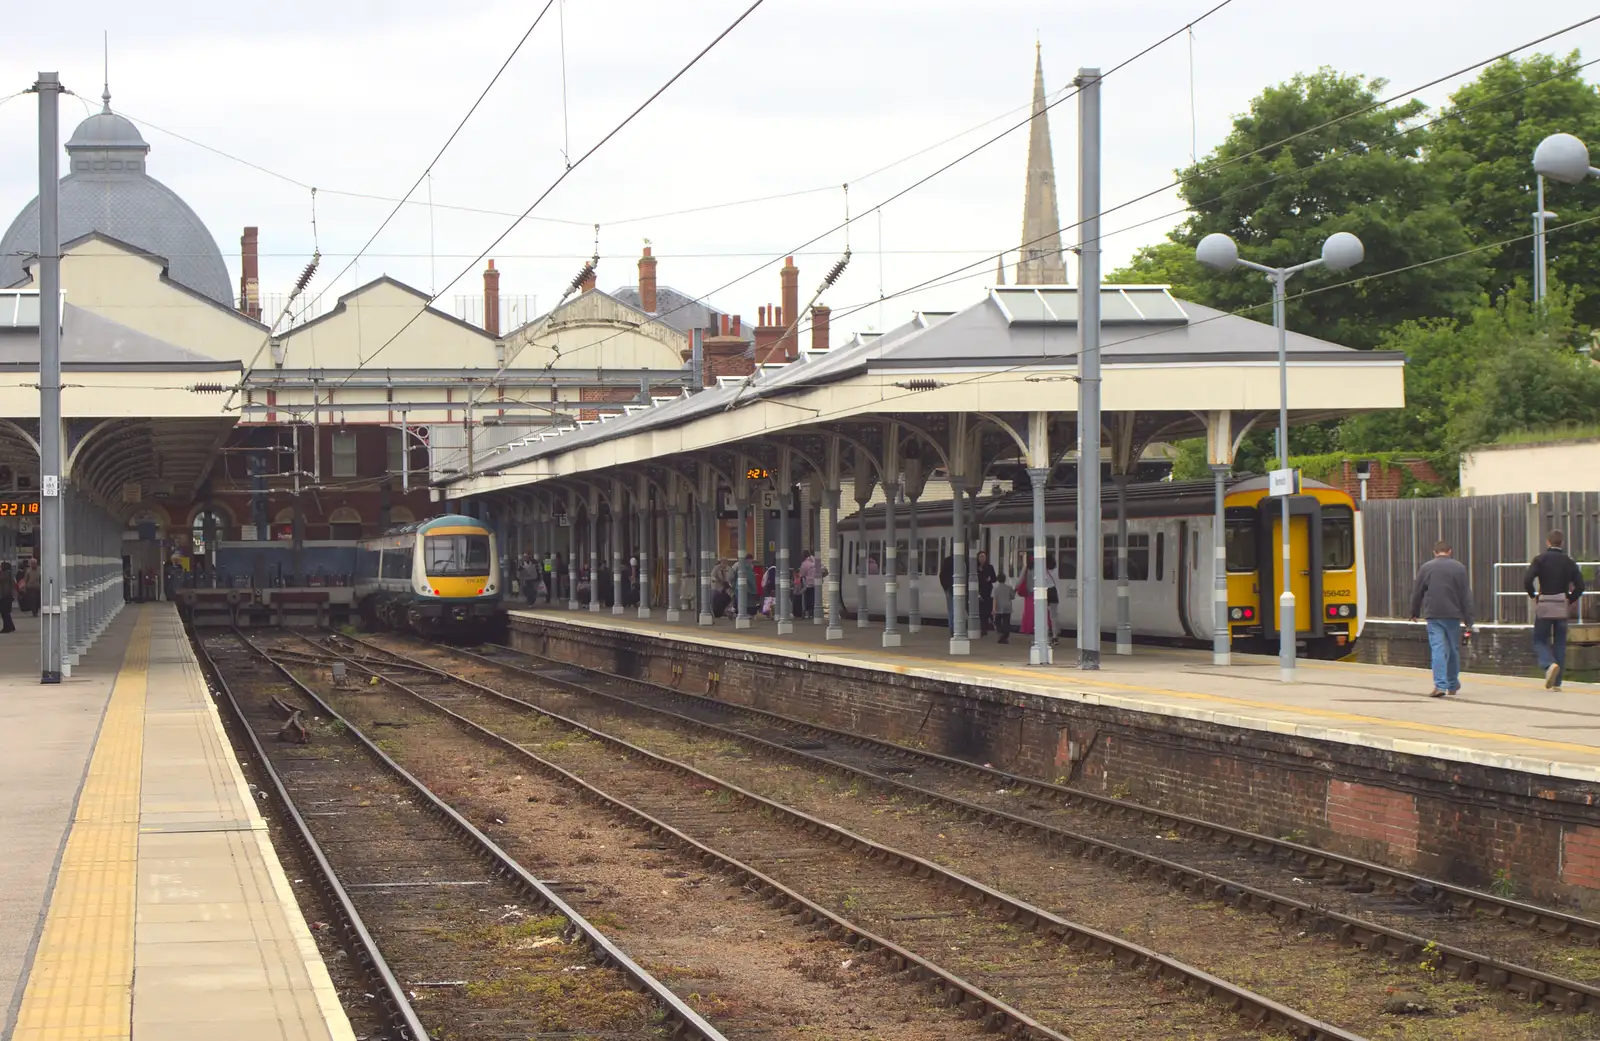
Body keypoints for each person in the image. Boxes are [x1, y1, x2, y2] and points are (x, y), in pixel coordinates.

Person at [1408, 540, 1474, 698]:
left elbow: (1418, 592)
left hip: (1433, 613)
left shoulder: (1427, 567)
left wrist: (1414, 612)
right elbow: (1465, 595)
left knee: (1438, 648)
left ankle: (1440, 685)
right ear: (1450, 551)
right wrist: (1469, 619)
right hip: (1453, 614)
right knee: (1452, 649)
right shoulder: (1459, 568)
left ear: (1434, 552)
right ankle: (1452, 684)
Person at [1525, 529, 1586, 690]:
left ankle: (1548, 664)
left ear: (1548, 542)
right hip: (1561, 605)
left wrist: (1534, 595)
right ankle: (1557, 682)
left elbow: (1527, 579)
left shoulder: (1540, 559)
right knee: (1560, 642)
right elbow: (1581, 586)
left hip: (1545, 603)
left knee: (1539, 639)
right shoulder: (1569, 561)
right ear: (1562, 543)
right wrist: (1570, 599)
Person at [975, 551, 997, 637]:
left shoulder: (990, 567)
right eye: (980, 556)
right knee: (981, 612)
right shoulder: (975, 568)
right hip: (979, 591)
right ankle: (983, 629)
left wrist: (989, 580)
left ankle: (990, 626)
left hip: (988, 591)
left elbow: (994, 578)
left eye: (983, 556)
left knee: (988, 610)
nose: (982, 558)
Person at [992, 569, 1013, 645]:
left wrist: (993, 609)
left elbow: (994, 599)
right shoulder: (1009, 588)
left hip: (998, 607)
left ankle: (1001, 635)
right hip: (1007, 606)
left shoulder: (995, 589)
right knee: (1006, 622)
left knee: (998, 622)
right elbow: (1012, 596)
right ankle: (1005, 636)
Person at [939, 552, 955, 627]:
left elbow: (941, 575)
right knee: (954, 610)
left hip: (949, 588)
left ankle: (952, 629)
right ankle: (953, 628)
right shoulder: (962, 561)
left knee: (951, 609)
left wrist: (946, 587)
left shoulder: (947, 561)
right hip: (953, 588)